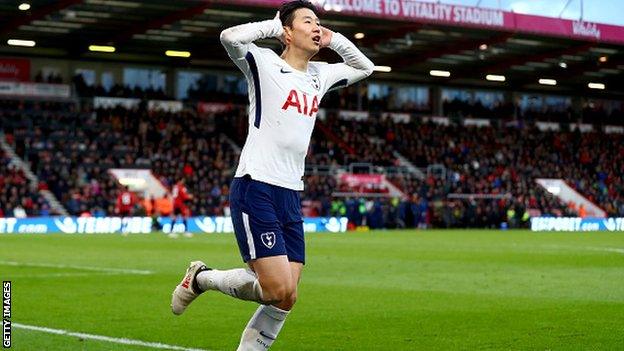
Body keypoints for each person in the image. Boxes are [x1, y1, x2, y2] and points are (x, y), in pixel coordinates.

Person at [171, 1, 373, 349]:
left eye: (318, 22)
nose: (315, 27)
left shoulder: (319, 75)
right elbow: (229, 37)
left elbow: (364, 67)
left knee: (285, 296)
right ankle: (201, 279)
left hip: (291, 192)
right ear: (288, 32)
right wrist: (271, 25)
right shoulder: (264, 64)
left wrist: (334, 38)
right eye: (307, 21)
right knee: (277, 288)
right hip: (256, 185)